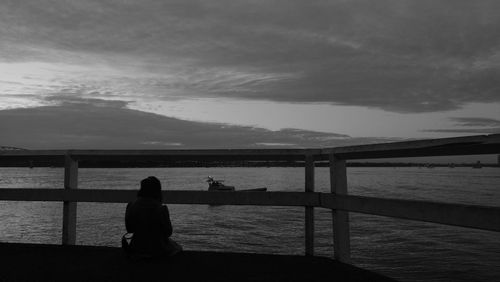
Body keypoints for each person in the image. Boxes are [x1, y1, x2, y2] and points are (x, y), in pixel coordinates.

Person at [125, 176, 182, 258]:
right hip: (156, 249)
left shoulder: (130, 206)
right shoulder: (161, 209)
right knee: (177, 247)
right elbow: (168, 232)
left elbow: (129, 229)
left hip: (136, 247)